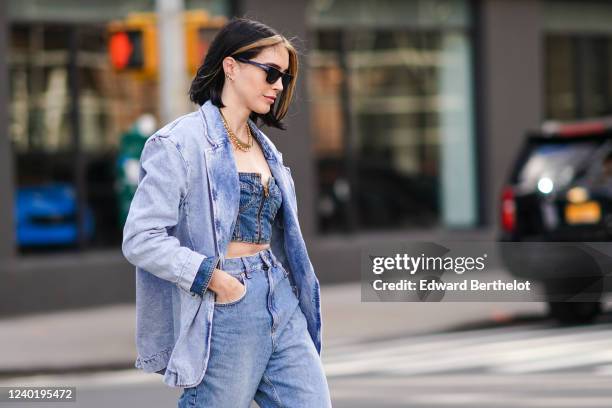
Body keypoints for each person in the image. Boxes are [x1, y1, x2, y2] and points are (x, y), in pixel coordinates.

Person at [121, 17, 332, 407]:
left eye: (284, 77)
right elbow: (140, 238)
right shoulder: (177, 144)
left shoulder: (267, 149)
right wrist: (214, 279)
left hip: (279, 296)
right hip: (226, 303)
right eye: (271, 73)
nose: (279, 86)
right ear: (231, 67)